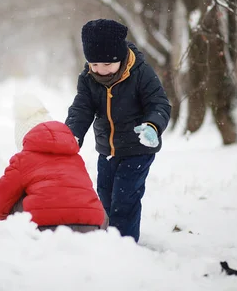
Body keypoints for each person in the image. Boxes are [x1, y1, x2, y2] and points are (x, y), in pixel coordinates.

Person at [65, 18, 171, 242]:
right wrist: (72, 134)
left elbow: (159, 104)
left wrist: (153, 126)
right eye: (94, 65)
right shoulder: (88, 78)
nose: (100, 71)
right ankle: (106, 241)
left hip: (138, 149)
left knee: (125, 198)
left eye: (106, 65)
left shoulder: (140, 73)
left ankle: (124, 245)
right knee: (104, 196)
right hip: (107, 149)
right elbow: (82, 108)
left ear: (120, 57)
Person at [0, 93, 108, 233]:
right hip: (90, 226)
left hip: (43, 226)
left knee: (16, 194)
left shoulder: (24, 159)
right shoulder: (74, 157)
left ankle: (28, 229)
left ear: (24, 139)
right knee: (86, 198)